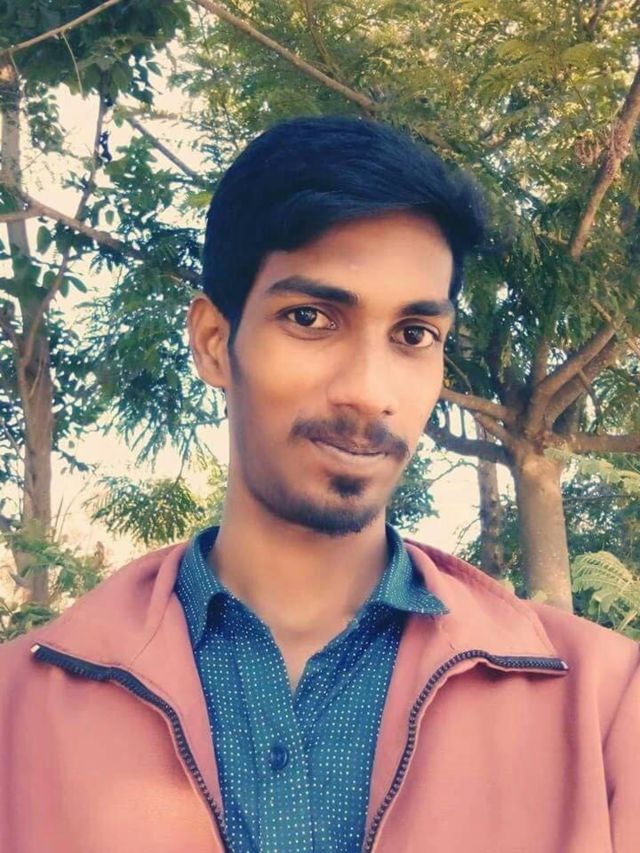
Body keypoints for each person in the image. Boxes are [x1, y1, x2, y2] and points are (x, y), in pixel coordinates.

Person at [0, 116, 638, 853]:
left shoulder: (606, 711)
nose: (368, 391)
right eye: (311, 318)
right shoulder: (18, 713)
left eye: (413, 335)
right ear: (214, 342)